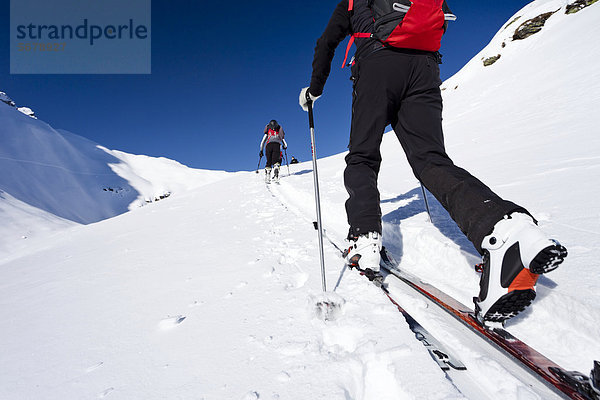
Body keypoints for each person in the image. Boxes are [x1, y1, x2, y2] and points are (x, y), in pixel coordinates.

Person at [298, 0, 567, 324]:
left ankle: (365, 238)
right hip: (424, 67)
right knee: (430, 160)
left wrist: (314, 90)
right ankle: (506, 229)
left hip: (376, 64)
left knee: (362, 158)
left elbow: (327, 41)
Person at [259, 119, 287, 184]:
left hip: (268, 146)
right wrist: (284, 146)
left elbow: (262, 142)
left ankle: (267, 176)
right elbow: (284, 142)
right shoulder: (278, 131)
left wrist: (261, 150)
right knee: (275, 161)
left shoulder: (268, 132)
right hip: (277, 145)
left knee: (269, 161)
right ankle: (276, 174)